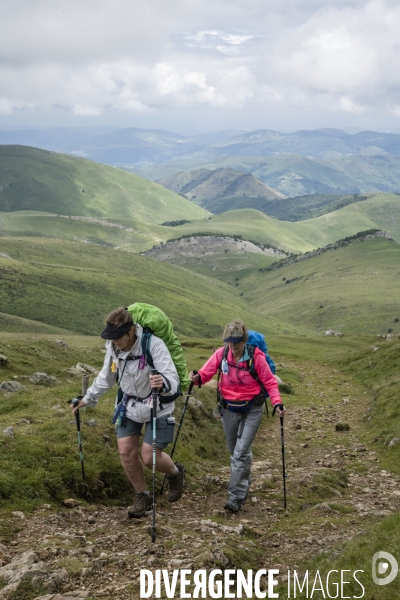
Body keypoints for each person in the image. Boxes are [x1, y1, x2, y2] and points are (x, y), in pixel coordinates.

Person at [71, 307, 185, 518]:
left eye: (117, 337)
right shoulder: (114, 348)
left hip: (157, 407)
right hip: (128, 406)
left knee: (150, 458)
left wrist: (163, 382)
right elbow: (106, 377)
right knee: (126, 452)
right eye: (111, 337)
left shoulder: (154, 345)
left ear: (131, 331)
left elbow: (173, 379)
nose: (114, 341)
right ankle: (143, 496)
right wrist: (86, 399)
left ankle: (175, 473)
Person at [190, 320, 285, 513]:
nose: (233, 345)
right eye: (229, 341)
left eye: (237, 341)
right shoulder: (221, 354)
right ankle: (244, 475)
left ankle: (236, 496)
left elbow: (270, 382)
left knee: (240, 453)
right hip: (229, 408)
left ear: (244, 339)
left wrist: (277, 402)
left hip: (253, 408)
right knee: (234, 450)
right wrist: (197, 378)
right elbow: (205, 373)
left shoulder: (256, 357)